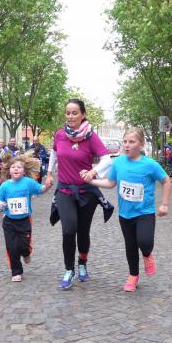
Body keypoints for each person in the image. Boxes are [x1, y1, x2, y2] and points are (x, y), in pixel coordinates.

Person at [89, 128, 171, 292]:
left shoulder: (150, 165)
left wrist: (164, 204)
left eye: (131, 142)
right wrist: (91, 181)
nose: (127, 145)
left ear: (141, 144)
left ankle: (147, 255)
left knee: (144, 242)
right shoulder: (118, 163)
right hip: (125, 214)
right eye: (125, 141)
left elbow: (166, 181)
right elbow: (110, 183)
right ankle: (133, 276)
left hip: (145, 212)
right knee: (130, 245)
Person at [45, 99, 115, 290]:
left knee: (83, 231)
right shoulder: (60, 135)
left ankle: (82, 262)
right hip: (65, 190)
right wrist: (49, 173)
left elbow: (107, 160)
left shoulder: (91, 136)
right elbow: (54, 154)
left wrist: (93, 172)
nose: (70, 116)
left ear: (82, 115)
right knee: (68, 230)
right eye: (67, 113)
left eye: (74, 113)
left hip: (86, 192)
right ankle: (69, 269)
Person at [0, 156, 53, 281]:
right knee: (12, 247)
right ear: (9, 171)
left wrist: (47, 186)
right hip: (9, 221)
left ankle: (26, 253)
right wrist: (0, 204)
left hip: (25, 220)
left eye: (19, 167)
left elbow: (40, 190)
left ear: (24, 171)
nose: (16, 169)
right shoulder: (5, 185)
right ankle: (16, 272)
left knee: (24, 245)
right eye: (13, 167)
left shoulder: (28, 182)